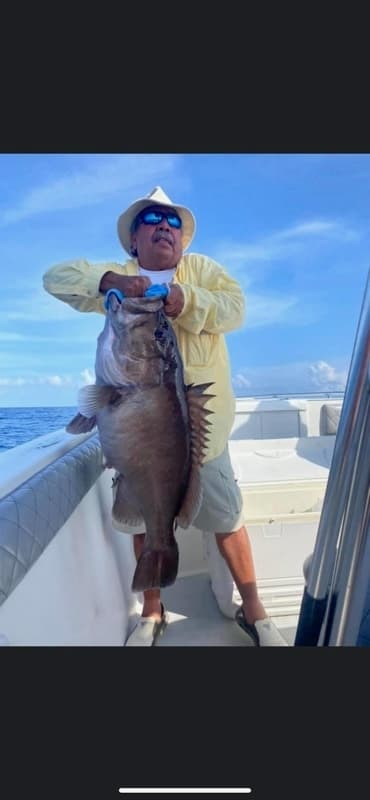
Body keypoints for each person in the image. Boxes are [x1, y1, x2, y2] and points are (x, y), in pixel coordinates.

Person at [43, 186, 288, 647]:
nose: (164, 227)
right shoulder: (120, 280)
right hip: (140, 437)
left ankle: (254, 609)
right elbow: (55, 279)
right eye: (152, 220)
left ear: (182, 238)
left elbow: (235, 309)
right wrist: (112, 281)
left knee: (228, 519)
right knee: (141, 522)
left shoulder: (203, 272)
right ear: (133, 240)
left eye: (172, 222)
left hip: (206, 438)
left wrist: (186, 300)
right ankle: (151, 611)